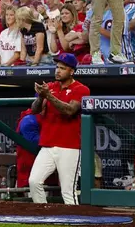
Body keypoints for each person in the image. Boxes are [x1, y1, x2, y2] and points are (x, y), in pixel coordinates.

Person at [29, 53, 90, 205]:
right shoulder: (49, 87)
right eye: (57, 67)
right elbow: (35, 110)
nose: (58, 71)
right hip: (48, 144)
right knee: (34, 181)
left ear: (72, 71)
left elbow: (69, 111)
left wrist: (48, 96)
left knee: (67, 192)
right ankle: (43, 215)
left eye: (62, 68)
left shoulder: (81, 89)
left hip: (69, 146)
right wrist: (41, 96)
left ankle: (75, 221)